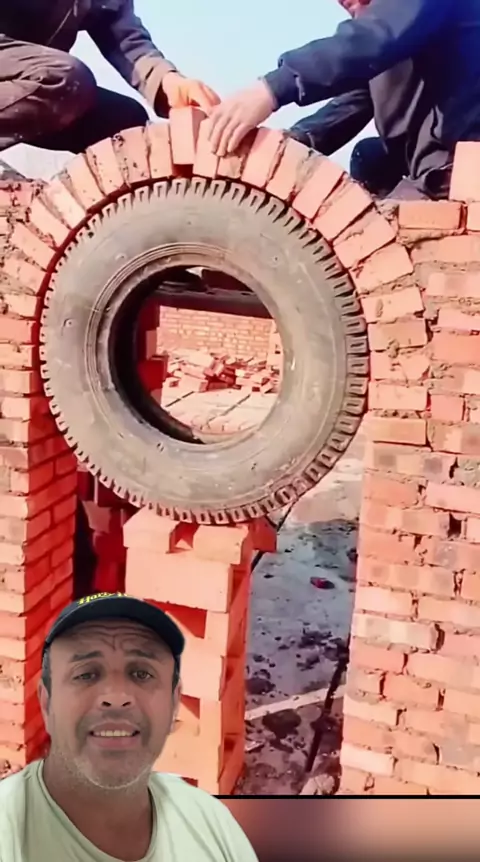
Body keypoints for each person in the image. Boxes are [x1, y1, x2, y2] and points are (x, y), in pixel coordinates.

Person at [0, 592, 258, 862]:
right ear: (47, 702)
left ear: (173, 703)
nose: (116, 695)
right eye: (86, 674)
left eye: (141, 674)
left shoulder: (210, 824)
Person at [206, 0, 480, 200]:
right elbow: (353, 103)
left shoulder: (401, 21)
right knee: (370, 158)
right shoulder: (403, 39)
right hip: (431, 165)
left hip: (460, 169)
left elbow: (371, 40)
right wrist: (289, 143)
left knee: (371, 245)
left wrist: (270, 89)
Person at [0, 1, 220, 154]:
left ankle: (67, 204)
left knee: (127, 125)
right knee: (62, 78)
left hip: (24, 85)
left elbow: (126, 40)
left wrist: (167, 81)